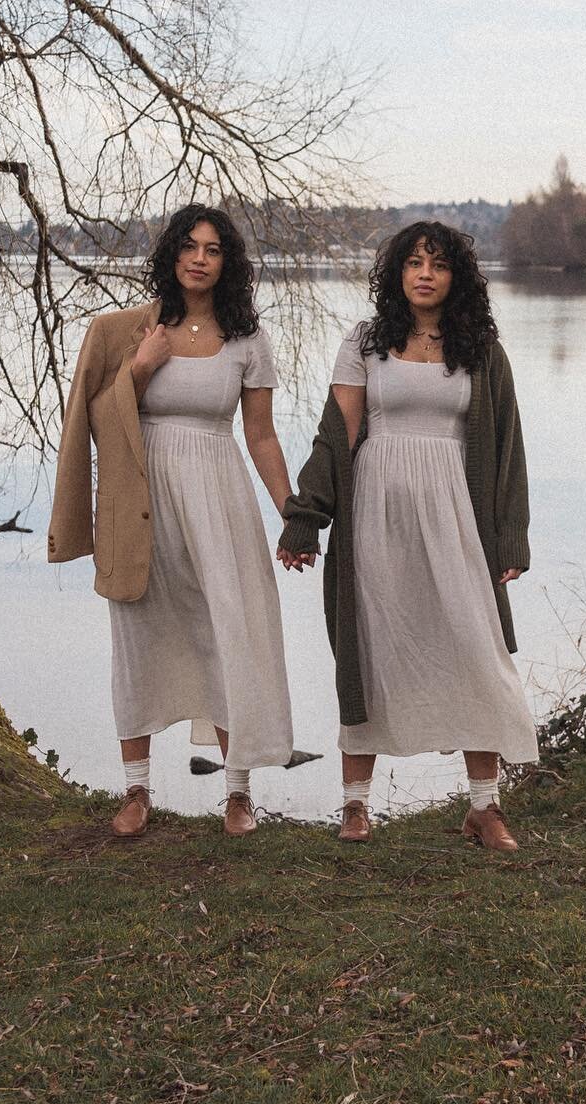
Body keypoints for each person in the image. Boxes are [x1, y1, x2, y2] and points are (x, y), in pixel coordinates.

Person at [278, 220, 538, 851]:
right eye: (415, 262)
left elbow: (507, 447)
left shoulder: (480, 349)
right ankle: (355, 806)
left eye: (439, 264)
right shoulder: (365, 342)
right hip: (377, 512)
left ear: (457, 277)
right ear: (397, 273)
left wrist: (509, 538)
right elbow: (335, 435)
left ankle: (484, 807)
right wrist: (305, 517)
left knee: (476, 650)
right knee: (370, 649)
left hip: (455, 514)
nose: (426, 274)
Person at [49, 205, 295, 838]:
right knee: (139, 638)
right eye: (189, 246)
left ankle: (237, 793)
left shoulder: (247, 340)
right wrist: (140, 368)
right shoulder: (130, 331)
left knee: (226, 635)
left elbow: (261, 436)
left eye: (213, 250)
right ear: (171, 255)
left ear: (227, 263)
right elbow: (94, 424)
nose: (199, 259)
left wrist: (292, 514)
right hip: (141, 499)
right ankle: (136, 792)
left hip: (220, 499)